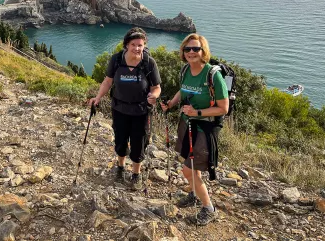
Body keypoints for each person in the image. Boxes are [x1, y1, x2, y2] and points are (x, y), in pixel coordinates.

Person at [161, 33, 229, 225]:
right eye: (187, 49)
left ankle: (209, 208)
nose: (191, 52)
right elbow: (183, 90)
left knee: (188, 170)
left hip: (205, 128)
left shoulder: (212, 75)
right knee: (191, 167)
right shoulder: (186, 71)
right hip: (187, 123)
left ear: (203, 51)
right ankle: (193, 194)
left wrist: (196, 112)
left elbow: (223, 108)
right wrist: (172, 103)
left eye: (196, 49)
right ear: (183, 51)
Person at [88, 27, 161, 191]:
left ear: (144, 46)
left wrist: (154, 96)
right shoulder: (116, 60)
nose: (137, 48)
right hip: (119, 109)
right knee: (120, 141)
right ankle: (120, 167)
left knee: (139, 142)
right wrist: (98, 98)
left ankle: (136, 173)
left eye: (140, 45)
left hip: (141, 111)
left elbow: (156, 87)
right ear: (126, 45)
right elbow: (107, 81)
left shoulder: (149, 62)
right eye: (133, 44)